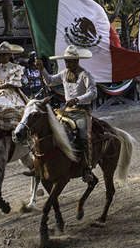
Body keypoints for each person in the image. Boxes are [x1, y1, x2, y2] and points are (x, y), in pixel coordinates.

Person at [37, 45, 96, 182]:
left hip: (82, 111)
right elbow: (50, 81)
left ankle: (87, 167)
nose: (67, 63)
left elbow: (93, 93)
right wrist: (42, 69)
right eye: (66, 61)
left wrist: (77, 99)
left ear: (77, 61)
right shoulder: (64, 73)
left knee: (84, 137)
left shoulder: (85, 74)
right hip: (66, 111)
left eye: (70, 61)